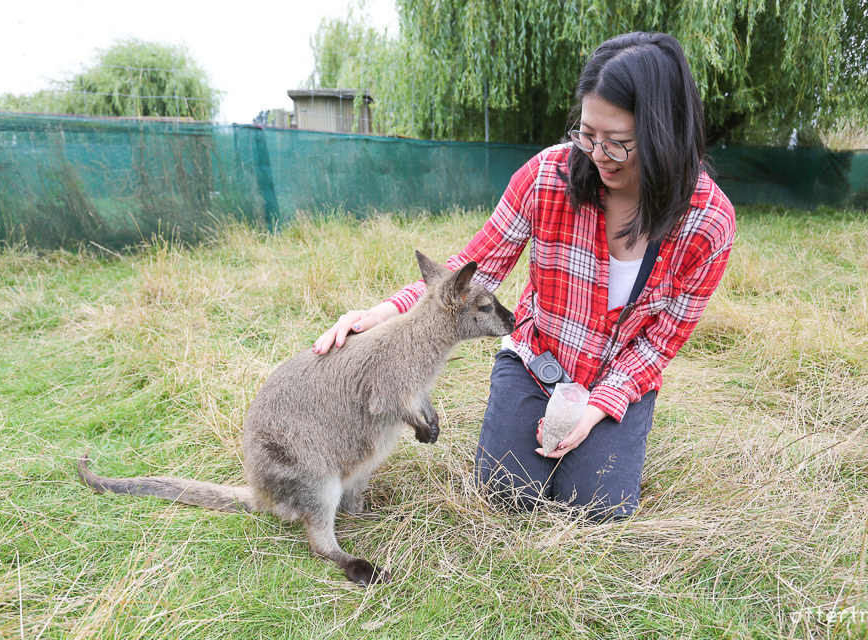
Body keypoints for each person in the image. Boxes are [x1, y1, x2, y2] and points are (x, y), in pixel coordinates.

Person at [312, 32, 735, 521]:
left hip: (616, 377)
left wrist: (600, 407)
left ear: (664, 133)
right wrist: (380, 314)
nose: (597, 155)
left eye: (616, 144)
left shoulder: (708, 221)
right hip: (540, 359)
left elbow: (660, 344)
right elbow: (476, 264)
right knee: (507, 494)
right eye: (586, 134)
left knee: (599, 508)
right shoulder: (546, 176)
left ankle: (609, 436)